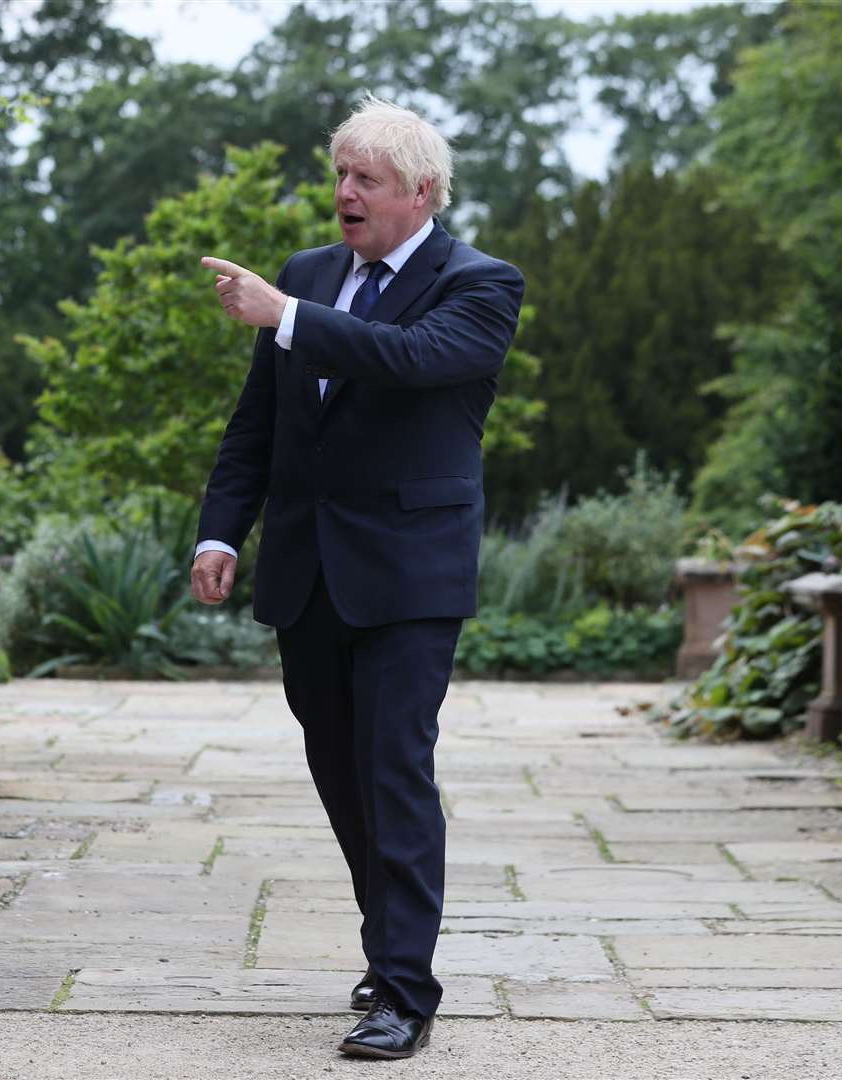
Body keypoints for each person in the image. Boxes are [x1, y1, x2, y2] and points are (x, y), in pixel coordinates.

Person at [191, 96, 524, 1059]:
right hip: (308, 572)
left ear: (420, 194)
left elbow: (411, 361)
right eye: (339, 174)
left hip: (411, 578)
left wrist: (286, 315)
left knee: (393, 768)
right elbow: (256, 425)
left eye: (364, 179)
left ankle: (406, 992)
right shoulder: (305, 276)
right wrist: (221, 533)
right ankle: (389, 951)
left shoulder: (481, 283)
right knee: (340, 774)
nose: (344, 193)